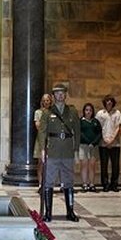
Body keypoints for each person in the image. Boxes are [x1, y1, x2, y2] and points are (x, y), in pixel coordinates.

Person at [37, 83, 81, 222]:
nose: (60, 95)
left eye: (62, 93)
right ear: (53, 96)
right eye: (57, 93)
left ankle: (70, 211)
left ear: (65, 95)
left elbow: (77, 132)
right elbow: (42, 132)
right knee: (49, 182)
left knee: (68, 181)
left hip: (67, 150)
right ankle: (48, 212)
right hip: (53, 150)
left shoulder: (72, 111)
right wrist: (43, 150)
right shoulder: (47, 112)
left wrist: (76, 150)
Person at [96, 95, 121, 192]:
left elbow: (118, 127)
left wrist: (112, 140)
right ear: (104, 102)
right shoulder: (100, 113)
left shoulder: (117, 113)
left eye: (111, 101)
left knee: (115, 165)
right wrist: (105, 140)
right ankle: (105, 184)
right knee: (104, 165)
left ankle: (114, 184)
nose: (109, 102)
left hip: (115, 143)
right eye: (107, 101)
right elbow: (98, 128)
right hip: (103, 143)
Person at [79, 102, 102, 192]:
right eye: (86, 110)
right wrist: (88, 142)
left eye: (90, 110)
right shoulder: (81, 121)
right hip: (83, 145)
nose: (88, 112)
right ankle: (85, 183)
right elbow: (79, 133)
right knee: (84, 165)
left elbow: (99, 133)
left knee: (92, 165)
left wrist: (93, 142)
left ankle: (92, 183)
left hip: (93, 146)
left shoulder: (95, 122)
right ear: (84, 111)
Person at [34, 93, 53, 191]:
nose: (46, 102)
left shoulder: (53, 112)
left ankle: (48, 183)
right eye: (44, 100)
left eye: (48, 100)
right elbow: (38, 126)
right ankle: (41, 184)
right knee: (41, 162)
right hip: (41, 139)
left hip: (51, 139)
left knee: (50, 163)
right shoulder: (38, 112)